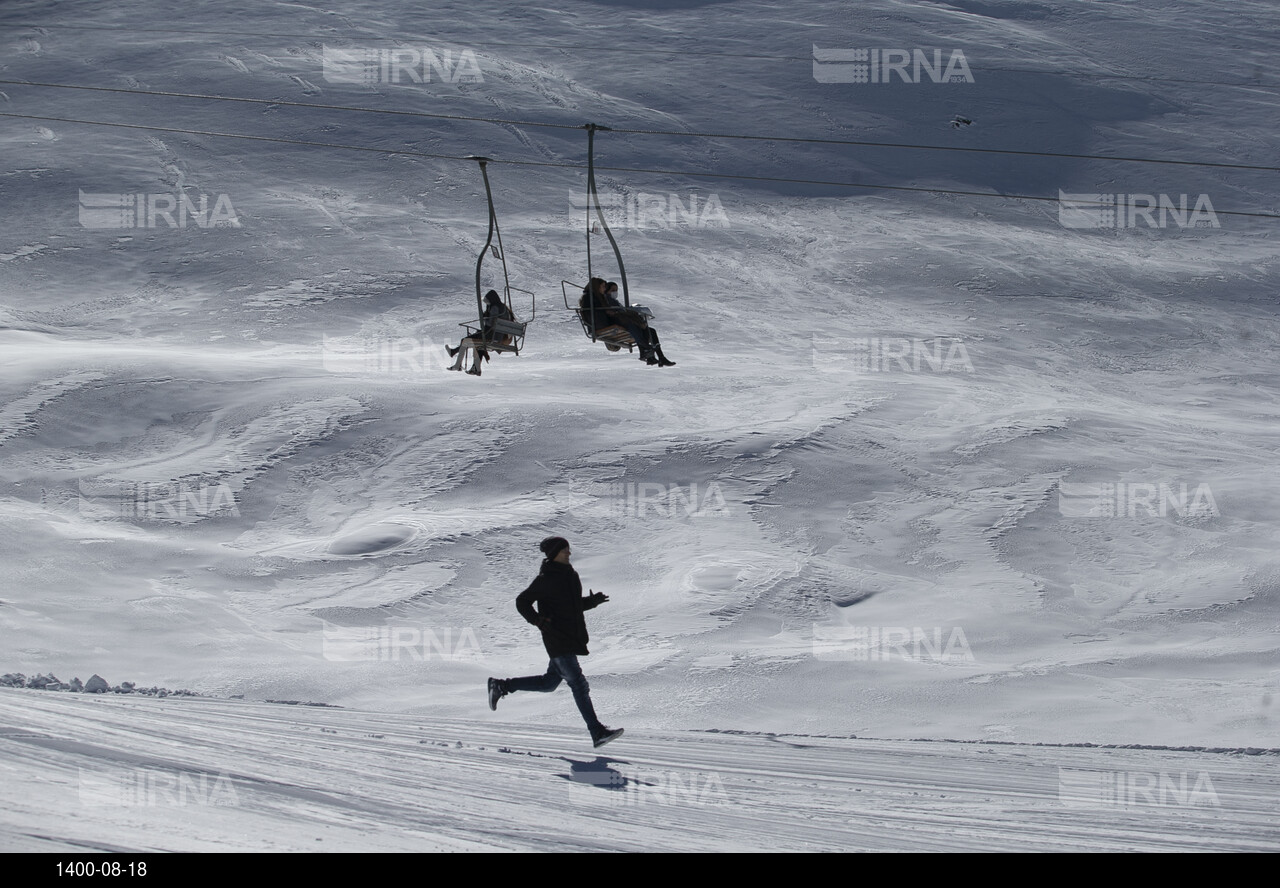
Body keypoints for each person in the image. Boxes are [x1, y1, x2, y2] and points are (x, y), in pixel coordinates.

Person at [487, 536, 624, 749]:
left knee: (548, 684)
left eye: (568, 549)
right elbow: (522, 601)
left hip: (570, 637)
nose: (569, 553)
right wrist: (538, 621)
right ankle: (596, 732)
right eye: (564, 550)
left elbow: (571, 606)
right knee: (579, 685)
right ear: (554, 554)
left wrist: (591, 602)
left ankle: (501, 686)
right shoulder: (546, 579)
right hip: (557, 639)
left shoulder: (570, 575)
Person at [578, 278, 674, 367]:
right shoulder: (592, 297)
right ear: (597, 287)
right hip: (601, 323)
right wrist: (612, 312)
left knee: (647, 329)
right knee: (630, 323)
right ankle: (646, 349)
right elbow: (597, 311)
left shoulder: (598, 297)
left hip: (603, 321)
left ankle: (651, 354)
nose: (604, 289)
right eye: (603, 287)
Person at [447, 290, 516, 376]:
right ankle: (475, 369)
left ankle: (457, 363)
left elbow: (490, 324)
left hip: (494, 337)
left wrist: (484, 318)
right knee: (478, 345)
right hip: (501, 337)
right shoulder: (502, 307)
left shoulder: (495, 307)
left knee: (465, 340)